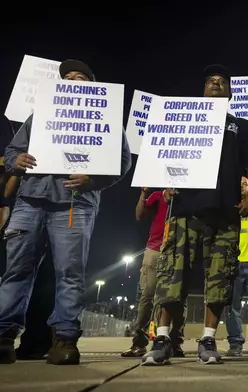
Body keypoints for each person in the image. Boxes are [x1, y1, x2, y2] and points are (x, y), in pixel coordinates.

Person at [0, 59, 132, 365]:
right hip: (30, 201)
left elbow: (122, 161)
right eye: (67, 77)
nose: (72, 80)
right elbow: (11, 151)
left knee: (70, 274)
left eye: (79, 77)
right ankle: (4, 336)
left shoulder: (106, 116)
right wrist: (15, 161)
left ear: (92, 86)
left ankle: (64, 339)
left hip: (74, 204)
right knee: (16, 270)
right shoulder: (41, 115)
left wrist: (94, 180)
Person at [142, 64, 248, 366]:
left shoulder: (242, 126)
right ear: (203, 89)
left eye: (222, 82)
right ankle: (162, 338)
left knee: (220, 278)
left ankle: (209, 338)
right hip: (185, 210)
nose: (215, 84)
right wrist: (166, 184)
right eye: (210, 81)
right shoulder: (184, 121)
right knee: (173, 274)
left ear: (230, 91)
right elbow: (163, 154)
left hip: (224, 213)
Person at [122, 188, 186, 358]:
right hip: (155, 249)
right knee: (147, 294)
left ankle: (174, 340)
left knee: (176, 297)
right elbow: (139, 215)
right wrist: (143, 193)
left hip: (176, 250)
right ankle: (139, 340)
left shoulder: (188, 195)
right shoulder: (157, 196)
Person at [224, 176, 248, 356]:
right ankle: (235, 343)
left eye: (246, 183)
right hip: (234, 263)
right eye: (239, 184)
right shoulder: (229, 206)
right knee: (231, 307)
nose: (243, 186)